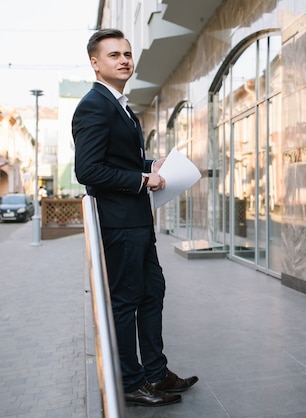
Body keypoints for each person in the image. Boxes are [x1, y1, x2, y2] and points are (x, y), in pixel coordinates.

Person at [72, 28, 198, 407]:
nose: (124, 59)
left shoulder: (120, 105)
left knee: (152, 292)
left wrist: (149, 164)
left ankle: (156, 373)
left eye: (127, 53)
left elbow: (116, 161)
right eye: (114, 55)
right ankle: (130, 381)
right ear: (95, 63)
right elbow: (88, 170)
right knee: (126, 300)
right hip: (118, 224)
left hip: (136, 222)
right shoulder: (95, 104)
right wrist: (144, 178)